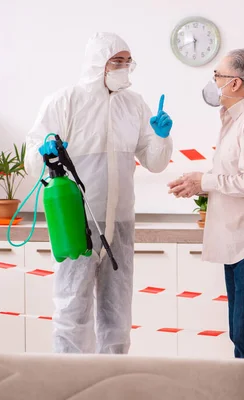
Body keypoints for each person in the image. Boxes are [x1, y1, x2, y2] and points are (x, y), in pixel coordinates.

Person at [25, 32, 173, 354]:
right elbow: (31, 158)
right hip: (75, 222)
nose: (123, 68)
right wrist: (45, 150)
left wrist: (161, 138)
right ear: (98, 63)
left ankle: (112, 383)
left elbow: (154, 161)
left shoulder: (133, 104)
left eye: (127, 62)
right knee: (71, 308)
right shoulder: (66, 101)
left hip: (119, 224)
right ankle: (72, 382)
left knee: (117, 313)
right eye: (116, 61)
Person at [167, 49, 244, 400]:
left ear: (234, 82)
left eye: (217, 76)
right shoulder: (235, 119)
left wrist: (204, 181)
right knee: (241, 335)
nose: (214, 83)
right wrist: (198, 183)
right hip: (240, 243)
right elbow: (233, 177)